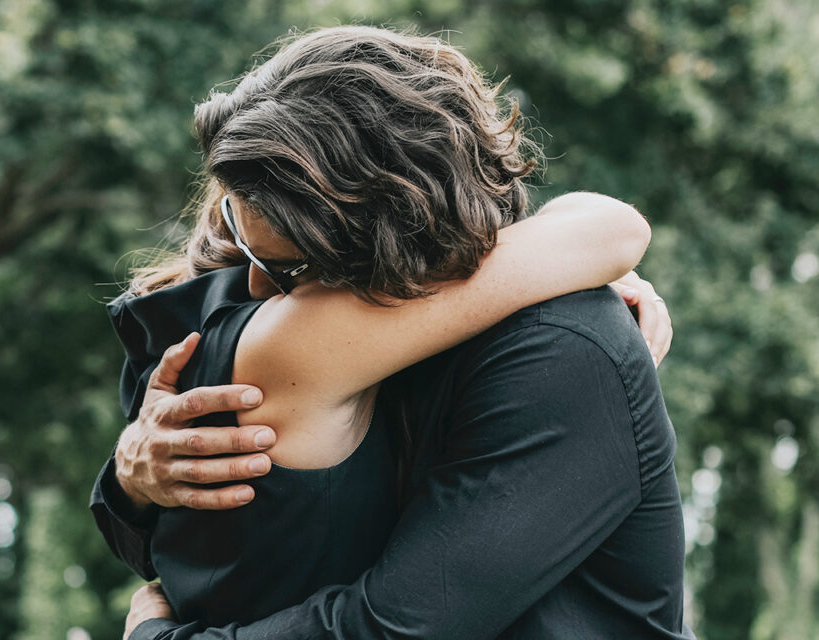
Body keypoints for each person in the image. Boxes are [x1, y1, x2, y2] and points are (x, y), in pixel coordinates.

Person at [89, 26, 691, 639]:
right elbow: (190, 556)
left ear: (391, 240)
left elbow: (396, 628)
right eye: (241, 236)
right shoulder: (225, 304)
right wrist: (128, 481)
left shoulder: (557, 345)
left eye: (289, 267)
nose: (255, 291)